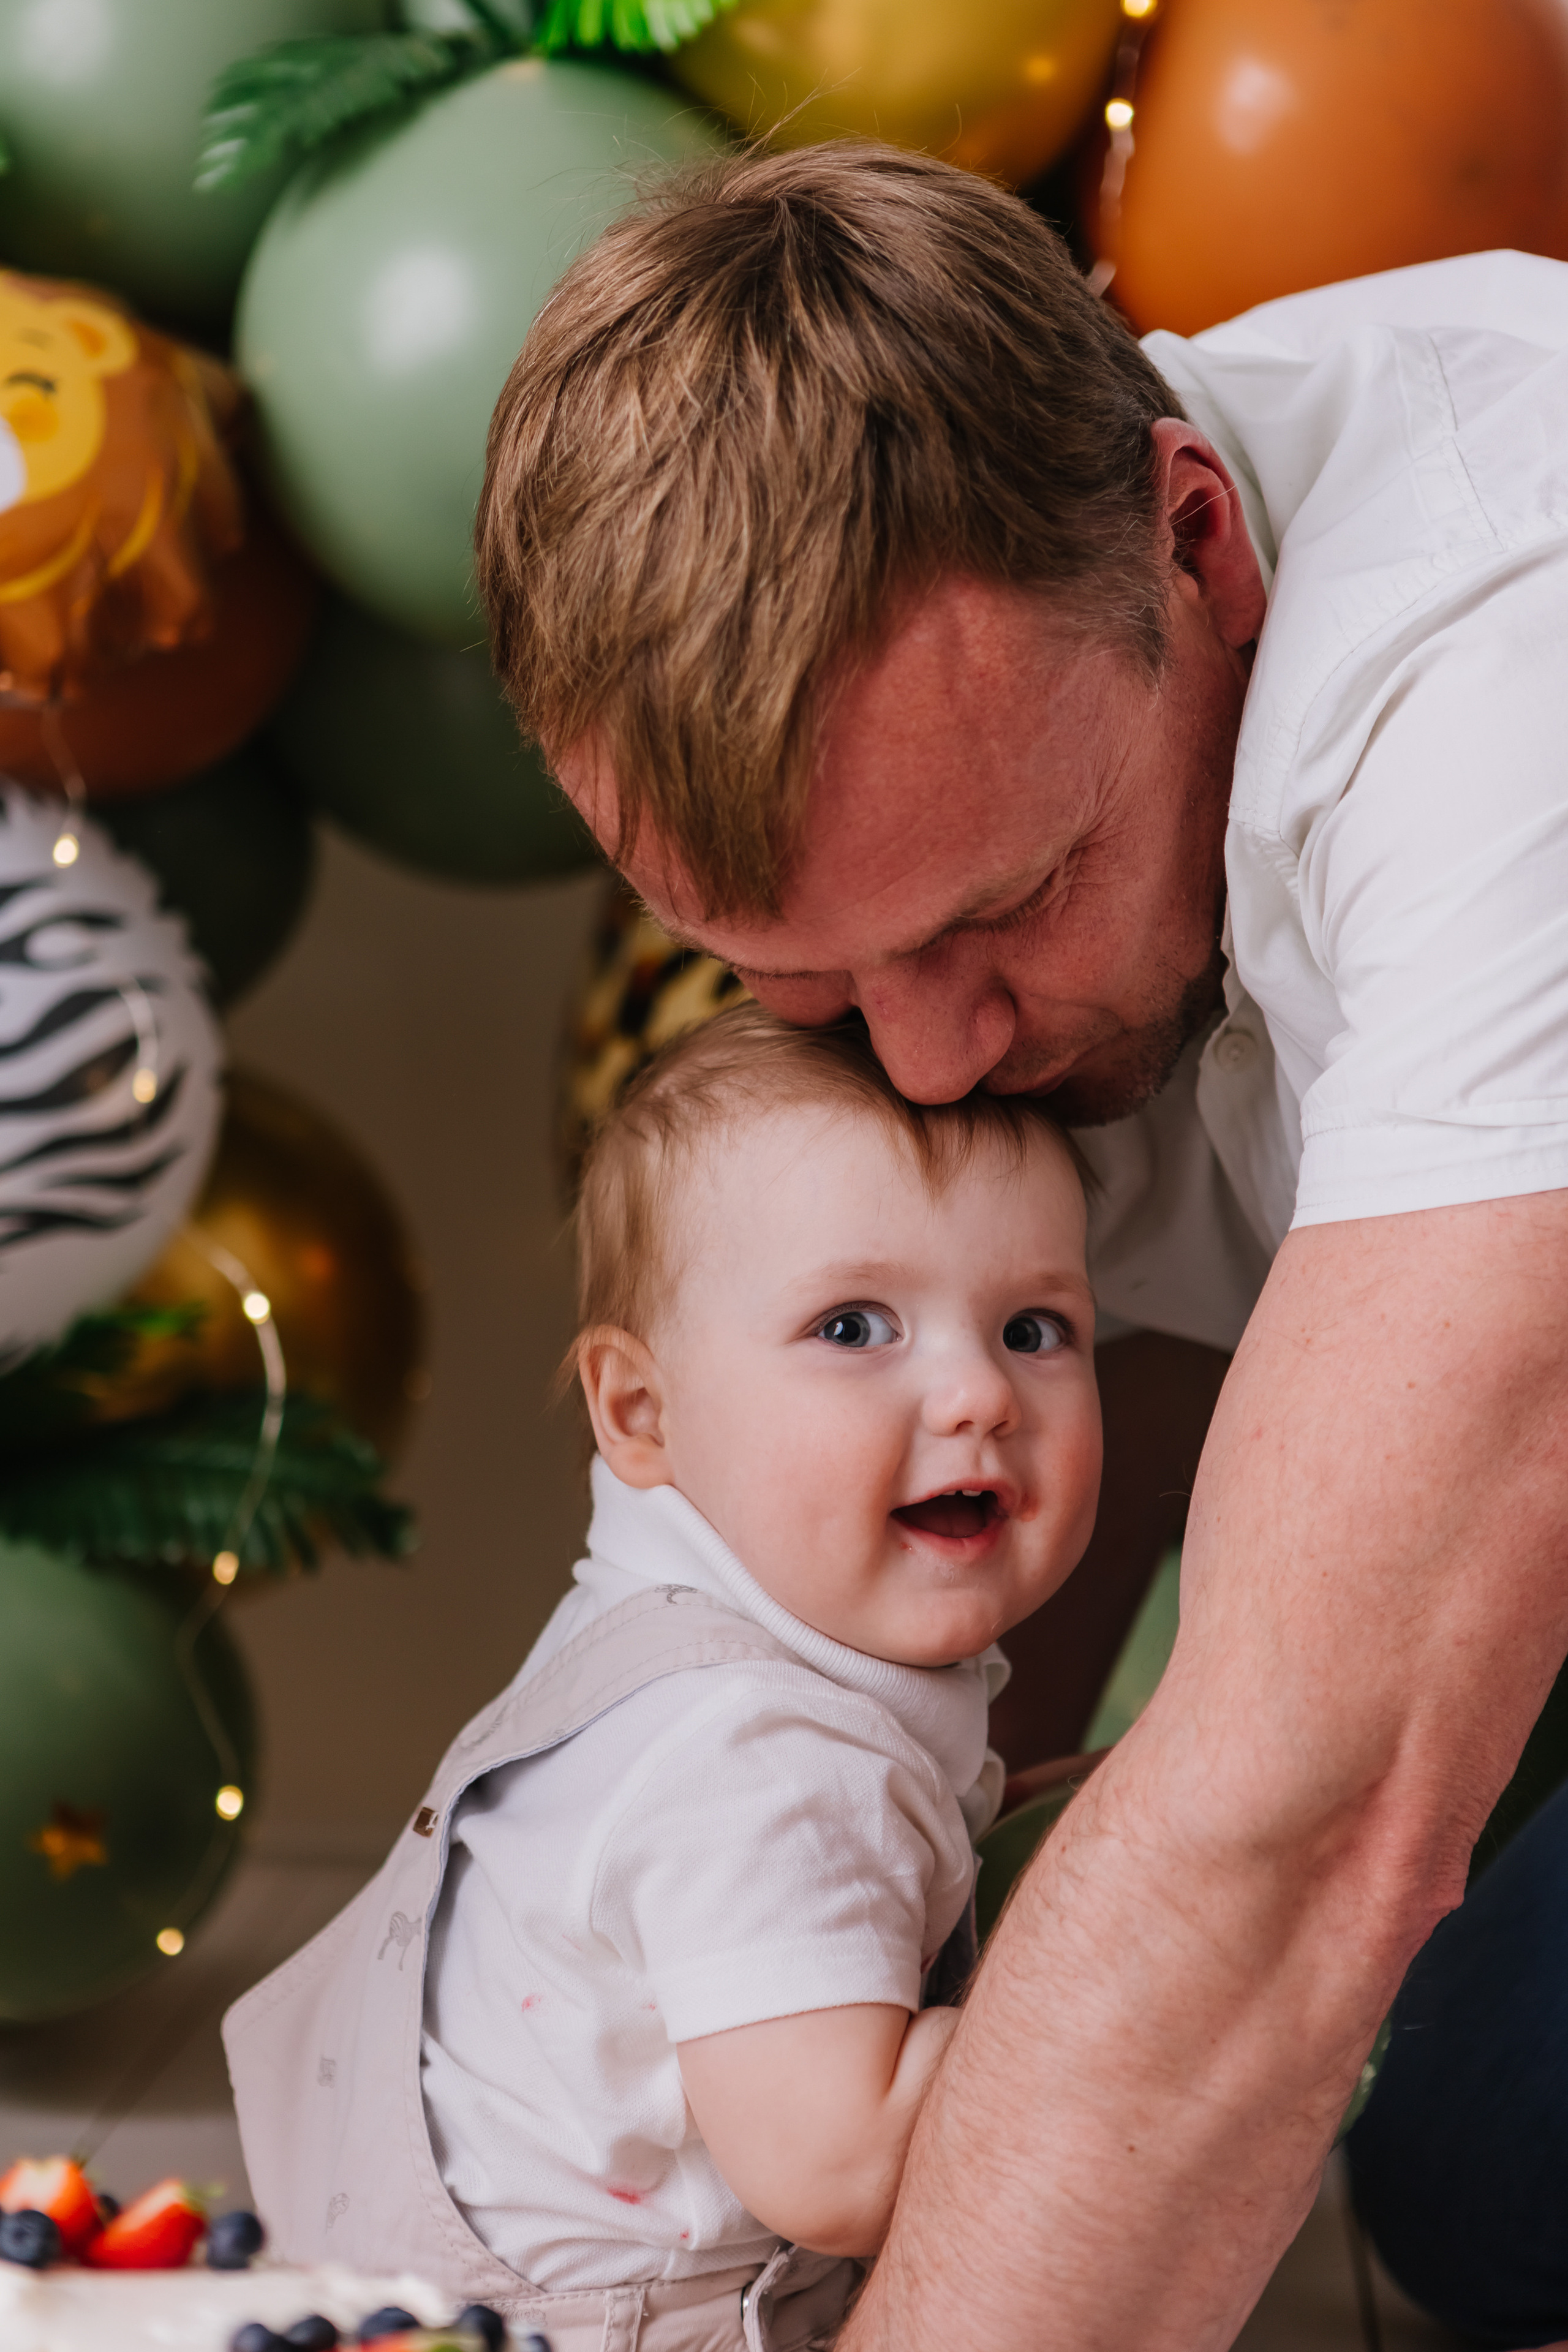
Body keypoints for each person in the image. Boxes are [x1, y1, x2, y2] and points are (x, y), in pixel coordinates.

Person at [473, 142, 1568, 2349]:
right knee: (1481, 2162)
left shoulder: (1505, 678)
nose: (930, 1055)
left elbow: (1315, 1805)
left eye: (1002, 911)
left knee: (1509, 2145)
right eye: (803, 984)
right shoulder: (1043, 776)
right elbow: (1043, 1476)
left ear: (1197, 543)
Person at [225, 1004, 1102, 2350]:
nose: (978, 1392)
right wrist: (1110, 1959)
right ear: (639, 1411)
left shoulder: (670, 1627)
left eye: (1034, 1328)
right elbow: (842, 2165)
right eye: (856, 1325)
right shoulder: (761, 1761)